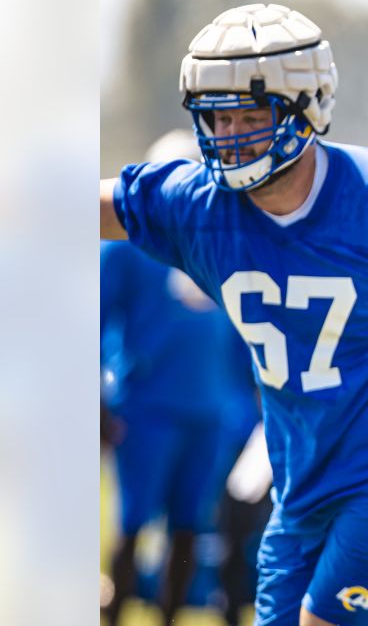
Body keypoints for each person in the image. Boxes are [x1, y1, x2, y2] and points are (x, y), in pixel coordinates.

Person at [100, 3, 368, 626]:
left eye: (250, 115)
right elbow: (93, 208)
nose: (229, 135)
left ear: (305, 107)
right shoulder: (198, 207)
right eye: (216, 116)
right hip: (304, 483)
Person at [100, 132, 258, 626]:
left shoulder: (222, 245)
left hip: (210, 410)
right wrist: (99, 404)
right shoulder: (126, 247)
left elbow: (242, 334)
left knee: (190, 528)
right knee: (133, 525)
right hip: (147, 407)